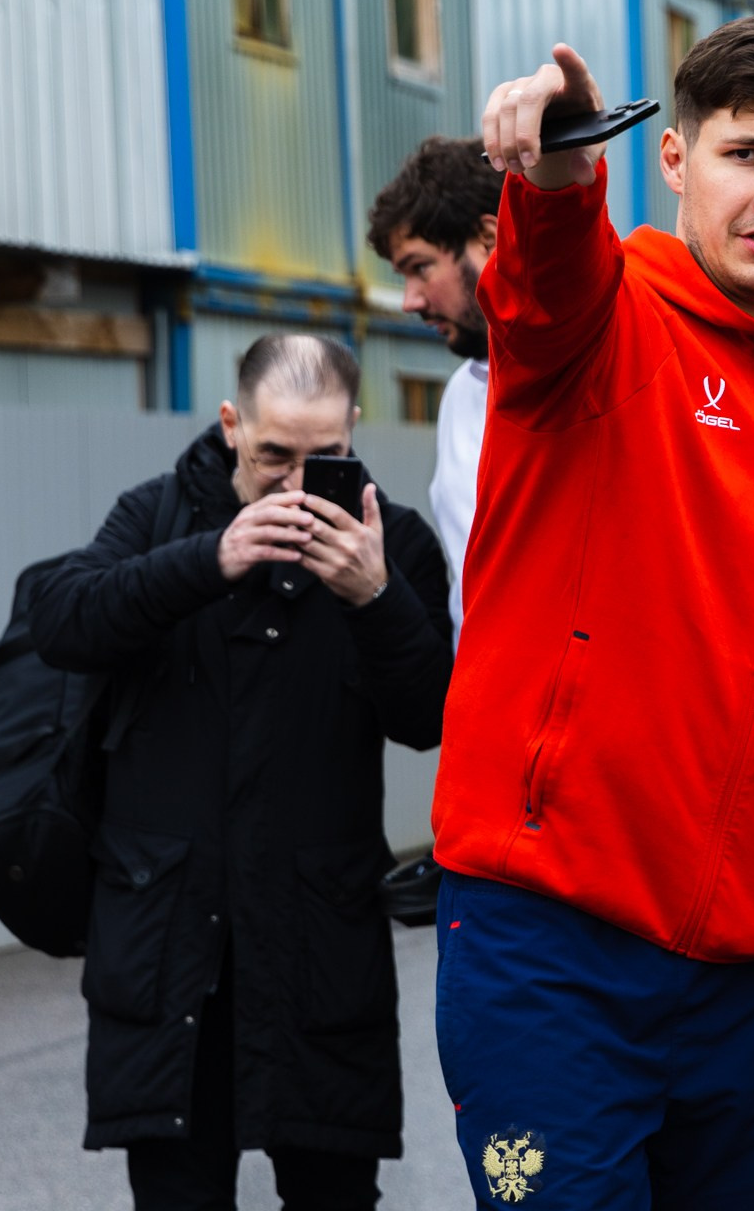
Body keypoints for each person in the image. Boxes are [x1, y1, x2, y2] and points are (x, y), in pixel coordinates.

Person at [433, 16, 754, 1210]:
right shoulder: (599, 322)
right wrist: (557, 164)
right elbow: (542, 283)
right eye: (744, 153)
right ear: (677, 159)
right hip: (553, 950)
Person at [29, 334, 453, 1211]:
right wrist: (211, 557)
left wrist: (377, 599)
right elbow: (63, 621)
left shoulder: (393, 542)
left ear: (355, 431)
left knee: (334, 1194)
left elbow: (430, 720)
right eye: (274, 457)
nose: (297, 485)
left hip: (316, 956)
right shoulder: (155, 518)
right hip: (170, 954)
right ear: (231, 427)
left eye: (326, 458)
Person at [367, 136, 502, 643]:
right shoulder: (460, 394)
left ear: (488, 240)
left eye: (421, 268)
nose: (409, 301)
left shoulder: (602, 373)